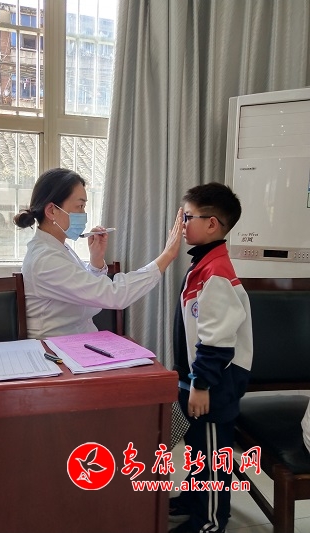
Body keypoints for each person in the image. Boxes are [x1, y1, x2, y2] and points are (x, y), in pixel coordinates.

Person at [169, 183, 253, 533]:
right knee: (197, 450)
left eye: (187, 217)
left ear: (212, 224)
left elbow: (217, 341)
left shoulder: (216, 272)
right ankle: (193, 501)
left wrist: (201, 384)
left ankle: (211, 521)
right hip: (197, 379)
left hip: (214, 385)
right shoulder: (204, 264)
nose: (181, 225)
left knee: (213, 458)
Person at [13, 167, 183, 338]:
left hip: (79, 340)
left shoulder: (58, 248)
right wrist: (167, 256)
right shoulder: (45, 258)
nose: (83, 214)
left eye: (84, 207)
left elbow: (89, 293)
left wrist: (96, 260)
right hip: (55, 348)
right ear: (51, 211)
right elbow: (113, 295)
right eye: (79, 206)